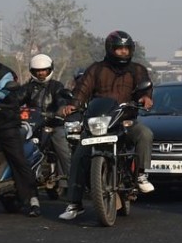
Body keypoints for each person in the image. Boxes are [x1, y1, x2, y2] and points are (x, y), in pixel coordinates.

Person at [58, 31, 155, 220]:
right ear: (110, 49)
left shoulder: (137, 70)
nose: (123, 52)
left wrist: (146, 98)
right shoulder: (96, 69)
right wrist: (72, 105)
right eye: (119, 49)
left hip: (125, 120)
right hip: (98, 122)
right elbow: (82, 89)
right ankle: (74, 203)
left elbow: (146, 89)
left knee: (145, 133)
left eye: (126, 48)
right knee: (79, 155)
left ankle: (142, 174)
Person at [0, 44, 41, 217]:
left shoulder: (6, 74)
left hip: (5, 121)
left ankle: (33, 199)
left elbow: (4, 93)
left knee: (17, 158)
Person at [20, 54, 72, 198]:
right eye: (37, 70)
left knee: (61, 143)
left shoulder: (56, 86)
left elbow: (61, 99)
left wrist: (59, 110)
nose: (41, 73)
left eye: (44, 70)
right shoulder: (28, 87)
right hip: (33, 124)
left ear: (50, 70)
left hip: (53, 123)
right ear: (32, 71)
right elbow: (17, 99)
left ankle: (71, 181)